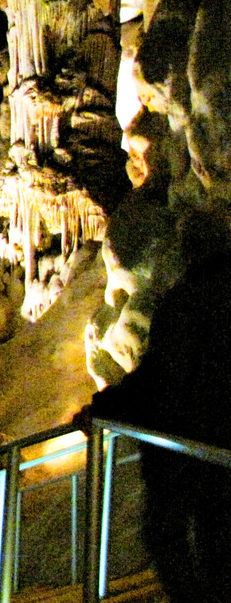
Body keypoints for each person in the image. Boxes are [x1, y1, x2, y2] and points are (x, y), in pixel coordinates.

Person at [83, 215, 231, 603]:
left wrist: (104, 406)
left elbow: (160, 373)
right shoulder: (192, 298)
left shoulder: (187, 301)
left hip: (189, 445)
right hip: (208, 445)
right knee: (213, 542)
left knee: (175, 536)